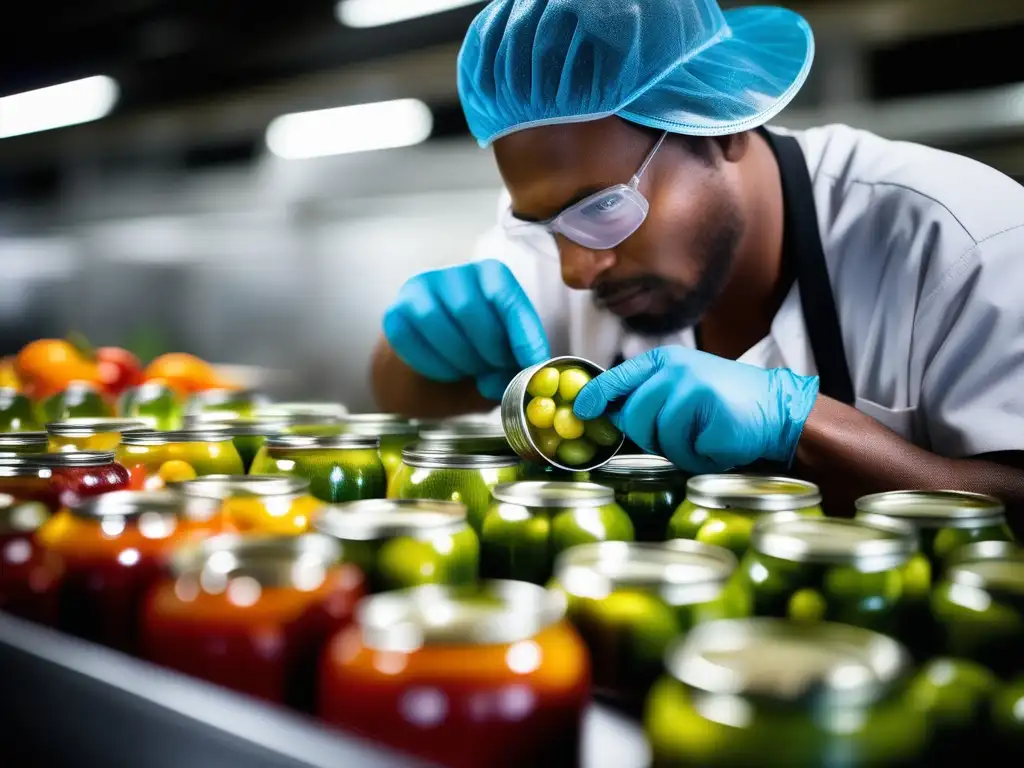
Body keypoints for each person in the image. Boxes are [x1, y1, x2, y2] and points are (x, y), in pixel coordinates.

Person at [371, 0, 1024, 519]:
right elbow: (401, 393)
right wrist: (416, 348)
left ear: (721, 126)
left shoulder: (960, 238)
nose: (576, 270)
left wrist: (804, 428)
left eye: (602, 209)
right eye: (542, 223)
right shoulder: (556, 246)